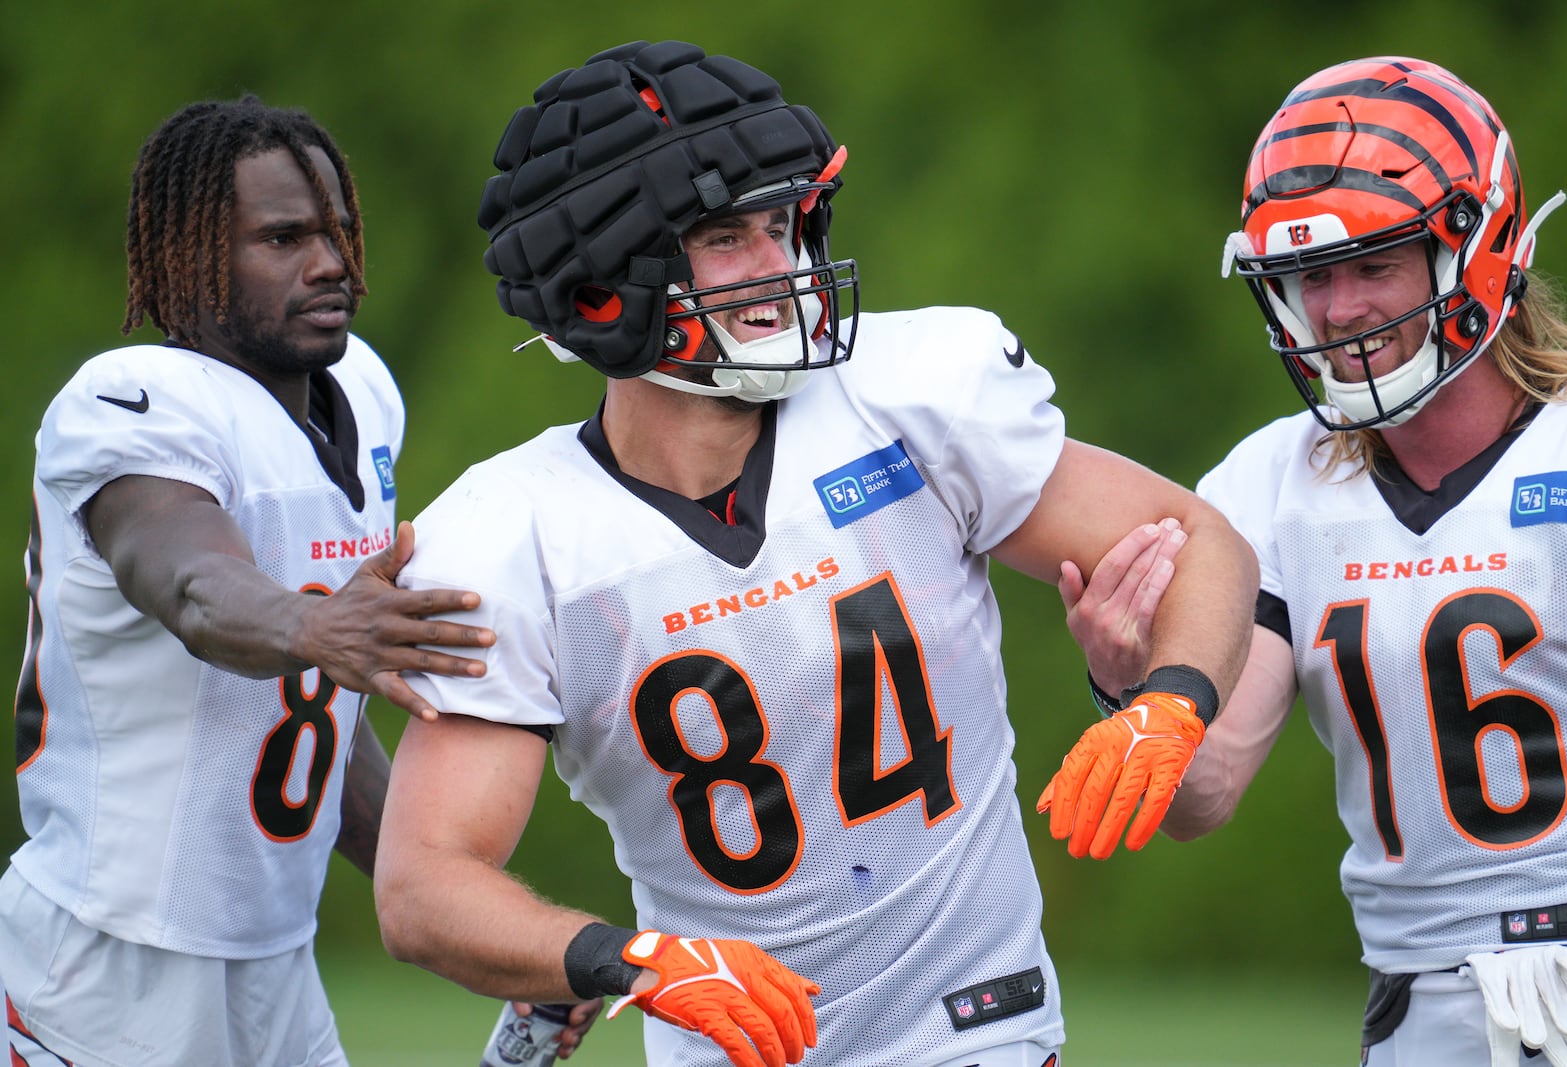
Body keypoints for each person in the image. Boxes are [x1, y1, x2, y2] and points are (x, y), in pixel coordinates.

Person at [371, 40, 1258, 1067]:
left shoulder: (911, 394)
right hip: (738, 1044)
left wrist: (1172, 695)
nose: (778, 266)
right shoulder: (515, 532)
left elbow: (1201, 540)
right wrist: (631, 958)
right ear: (604, 284)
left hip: (976, 1028)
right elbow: (423, 882)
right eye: (723, 236)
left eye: (780, 225)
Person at [1065, 56, 1567, 1067]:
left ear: (1476, 248)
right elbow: (1204, 793)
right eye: (1311, 275)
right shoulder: (1271, 485)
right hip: (1417, 1004)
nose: (1339, 309)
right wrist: (1129, 684)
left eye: (1374, 264)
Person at [0, 95, 515, 1067]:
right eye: (284, 237)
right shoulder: (128, 404)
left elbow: (321, 733)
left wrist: (485, 915)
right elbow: (191, 583)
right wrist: (317, 629)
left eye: (339, 229)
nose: (332, 263)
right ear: (186, 255)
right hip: (111, 961)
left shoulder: (361, 387)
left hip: (273, 963)